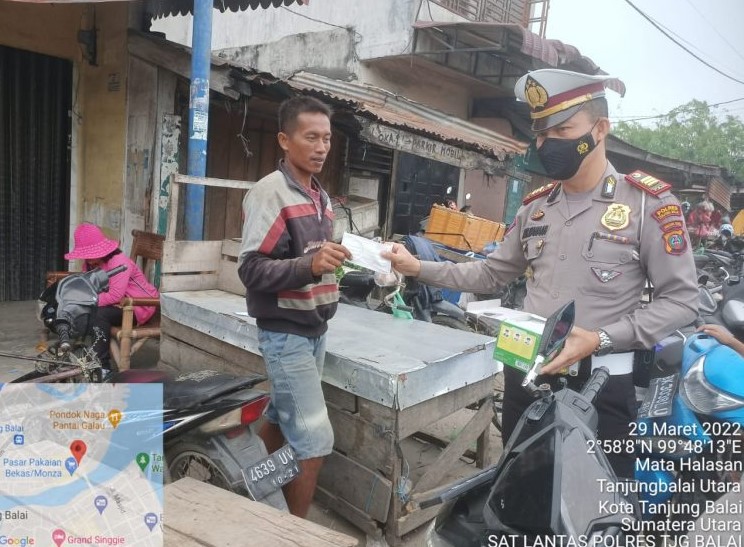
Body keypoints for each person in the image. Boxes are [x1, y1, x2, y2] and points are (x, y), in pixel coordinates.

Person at [383, 68, 699, 478]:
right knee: (518, 491)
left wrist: (601, 338)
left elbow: (682, 301)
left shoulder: (646, 205)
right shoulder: (535, 207)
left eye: (563, 129)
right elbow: (490, 275)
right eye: (542, 134)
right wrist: (417, 266)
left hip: (600, 387)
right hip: (526, 376)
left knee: (594, 507)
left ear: (600, 129)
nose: (547, 144)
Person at [237, 96, 351, 517]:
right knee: (315, 440)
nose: (321, 147)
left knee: (284, 418)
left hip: (315, 328)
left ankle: (249, 486)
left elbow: (316, 260)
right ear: (285, 140)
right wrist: (310, 265)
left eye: (326, 138)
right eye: (311, 137)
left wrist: (347, 261)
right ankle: (291, 531)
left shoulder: (320, 196)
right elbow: (251, 269)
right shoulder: (271, 193)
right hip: (286, 334)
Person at [64, 223, 159, 373]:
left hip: (139, 306)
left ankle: (102, 366)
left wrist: (88, 301)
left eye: (89, 255)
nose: (87, 259)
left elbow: (115, 295)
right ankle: (92, 354)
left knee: (98, 314)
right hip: (117, 305)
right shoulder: (89, 264)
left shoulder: (119, 262)